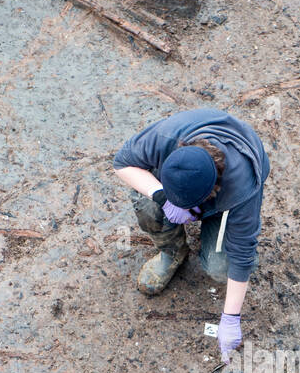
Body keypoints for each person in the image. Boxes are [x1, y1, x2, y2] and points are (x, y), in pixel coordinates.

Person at [113, 108, 269, 360]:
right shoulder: (165, 137)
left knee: (220, 269)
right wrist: (163, 197)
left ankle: (213, 219)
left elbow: (242, 252)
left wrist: (230, 319)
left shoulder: (242, 187)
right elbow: (121, 163)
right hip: (179, 187)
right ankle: (172, 251)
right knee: (146, 204)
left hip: (226, 198)